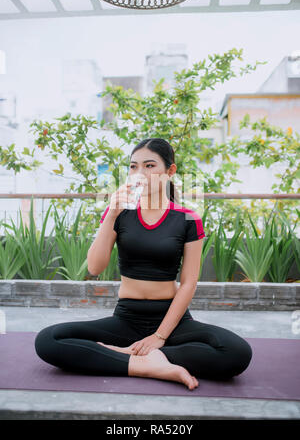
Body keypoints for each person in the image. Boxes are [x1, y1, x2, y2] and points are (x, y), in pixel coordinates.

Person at [35, 138, 252, 390]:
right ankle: (145, 364)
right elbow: (94, 268)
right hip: (126, 318)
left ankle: (133, 355)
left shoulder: (188, 219)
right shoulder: (119, 213)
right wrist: (112, 212)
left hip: (172, 321)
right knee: (48, 339)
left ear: (170, 171)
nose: (140, 173)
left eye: (149, 166)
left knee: (237, 352)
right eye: (133, 167)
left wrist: (159, 337)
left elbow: (189, 283)